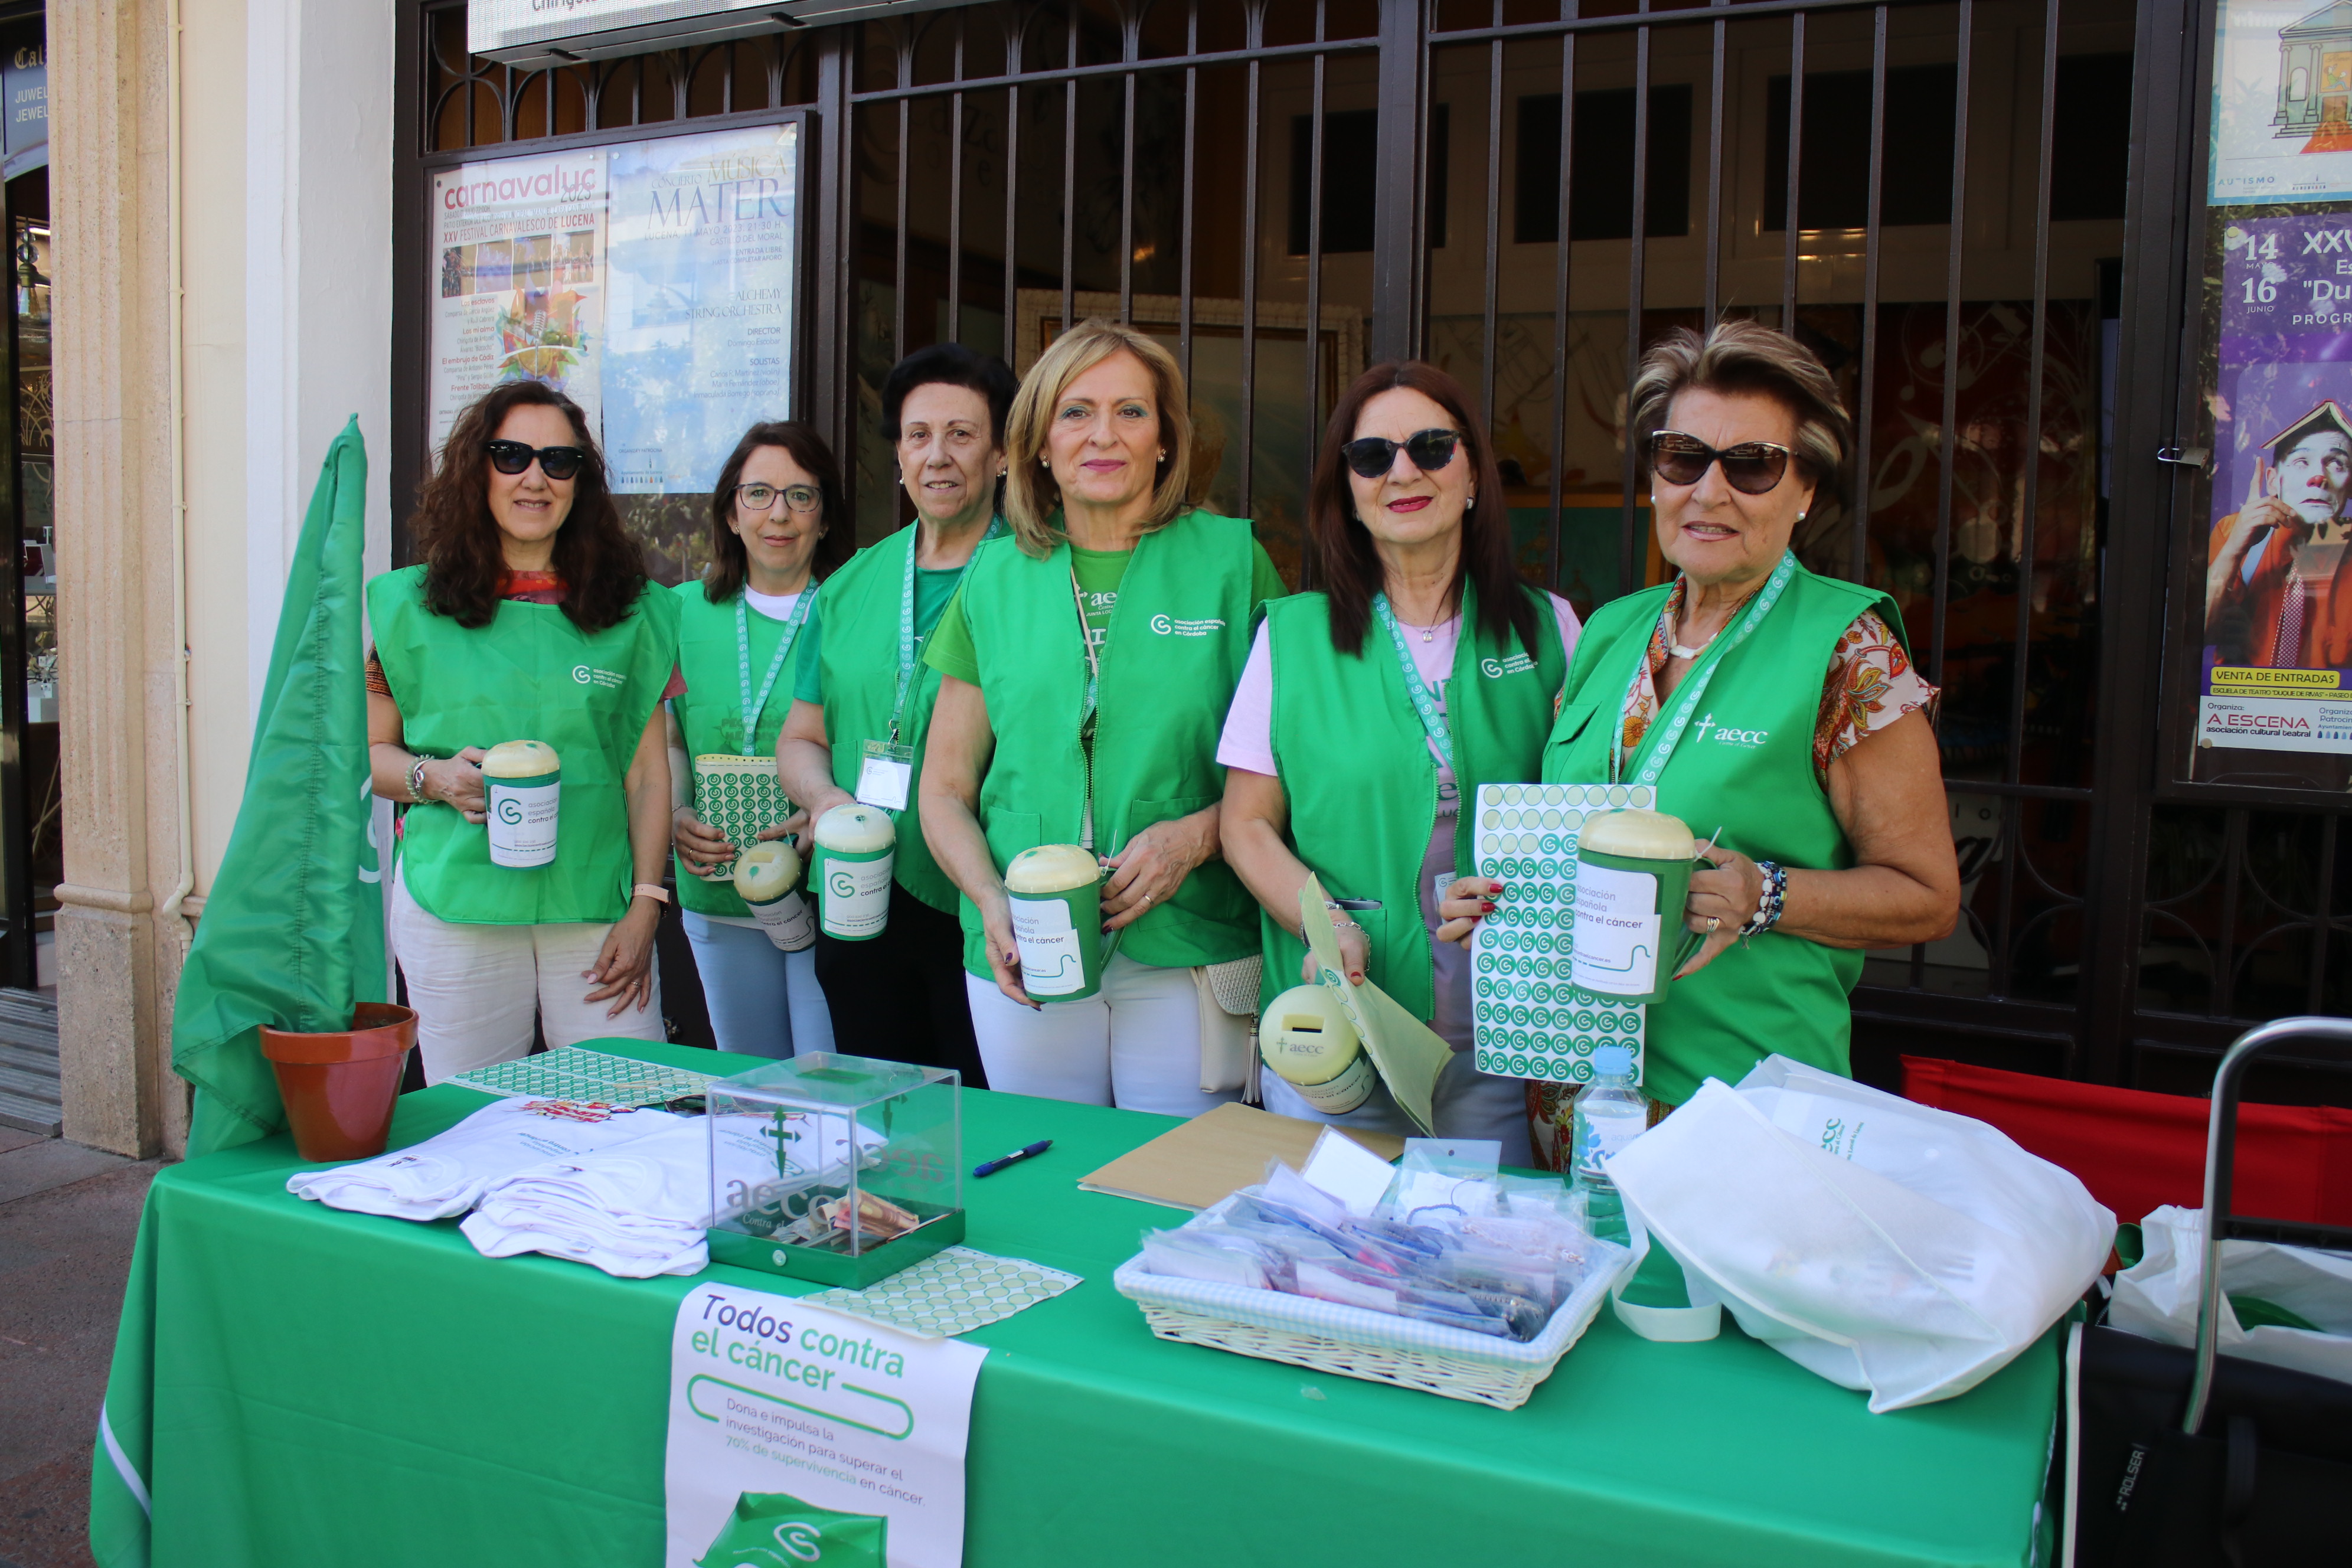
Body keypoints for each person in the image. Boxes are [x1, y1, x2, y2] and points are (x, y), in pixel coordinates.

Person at [1521, 319, 1961, 1164]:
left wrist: (1768, 897)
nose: (1709, 492)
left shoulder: (1851, 649)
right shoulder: (1611, 633)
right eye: (1684, 457)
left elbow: (1930, 896)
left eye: (1752, 465)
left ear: (1805, 493)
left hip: (1744, 1113)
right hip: (1576, 1096)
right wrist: (1506, 894)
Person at [919, 318, 1289, 1114]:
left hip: (1187, 940)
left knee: (1176, 1189)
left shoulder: (1234, 564)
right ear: (1040, 445)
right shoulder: (993, 577)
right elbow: (944, 788)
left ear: (1166, 440)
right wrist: (989, 901)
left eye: (1131, 412)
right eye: (1076, 413)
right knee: (1048, 1180)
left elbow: (1293, 767)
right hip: (1028, 948)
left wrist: (1194, 838)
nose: (1103, 436)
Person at [1220, 362, 1580, 1152]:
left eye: (1431, 446)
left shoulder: (1550, 629)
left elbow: (1591, 819)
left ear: (1474, 472)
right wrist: (1324, 923)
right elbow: (1245, 825)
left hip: (1504, 1044)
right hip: (1342, 1038)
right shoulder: (1292, 638)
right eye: (1373, 456)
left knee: (1484, 1266)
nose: (1404, 471)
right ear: (1347, 491)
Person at [367, 381, 681, 1084]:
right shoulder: (409, 608)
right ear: (476, 468)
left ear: (581, 483)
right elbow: (370, 754)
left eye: (558, 461)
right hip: (457, 908)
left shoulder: (632, 612)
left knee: (626, 1117)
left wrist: (647, 907)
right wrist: (434, 778)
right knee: (474, 1123)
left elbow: (648, 775)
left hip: (597, 907)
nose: (534, 477)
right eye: (511, 455)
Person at [777, 345, 1018, 1088]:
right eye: (918, 436)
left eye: (962, 434)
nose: (938, 457)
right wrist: (824, 798)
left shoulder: (1036, 579)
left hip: (985, 899)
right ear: (900, 457)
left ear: (1005, 454)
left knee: (989, 1116)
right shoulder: (849, 586)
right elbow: (802, 738)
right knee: (880, 1115)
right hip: (859, 893)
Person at [667, 423, 851, 1058]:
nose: (780, 514)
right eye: (760, 494)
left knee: (827, 1081)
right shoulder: (679, 612)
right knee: (751, 1088)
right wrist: (675, 813)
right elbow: (666, 737)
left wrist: (829, 804)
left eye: (802, 496)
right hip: (716, 889)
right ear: (729, 511)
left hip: (824, 888)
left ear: (825, 518)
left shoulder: (853, 613)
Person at [2204, 398, 2352, 671]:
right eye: (2301, 462)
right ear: (2273, 481)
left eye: (2336, 464)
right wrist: (2235, 550)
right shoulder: (2231, 532)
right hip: (2243, 707)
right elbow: (2198, 633)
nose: (2318, 477)